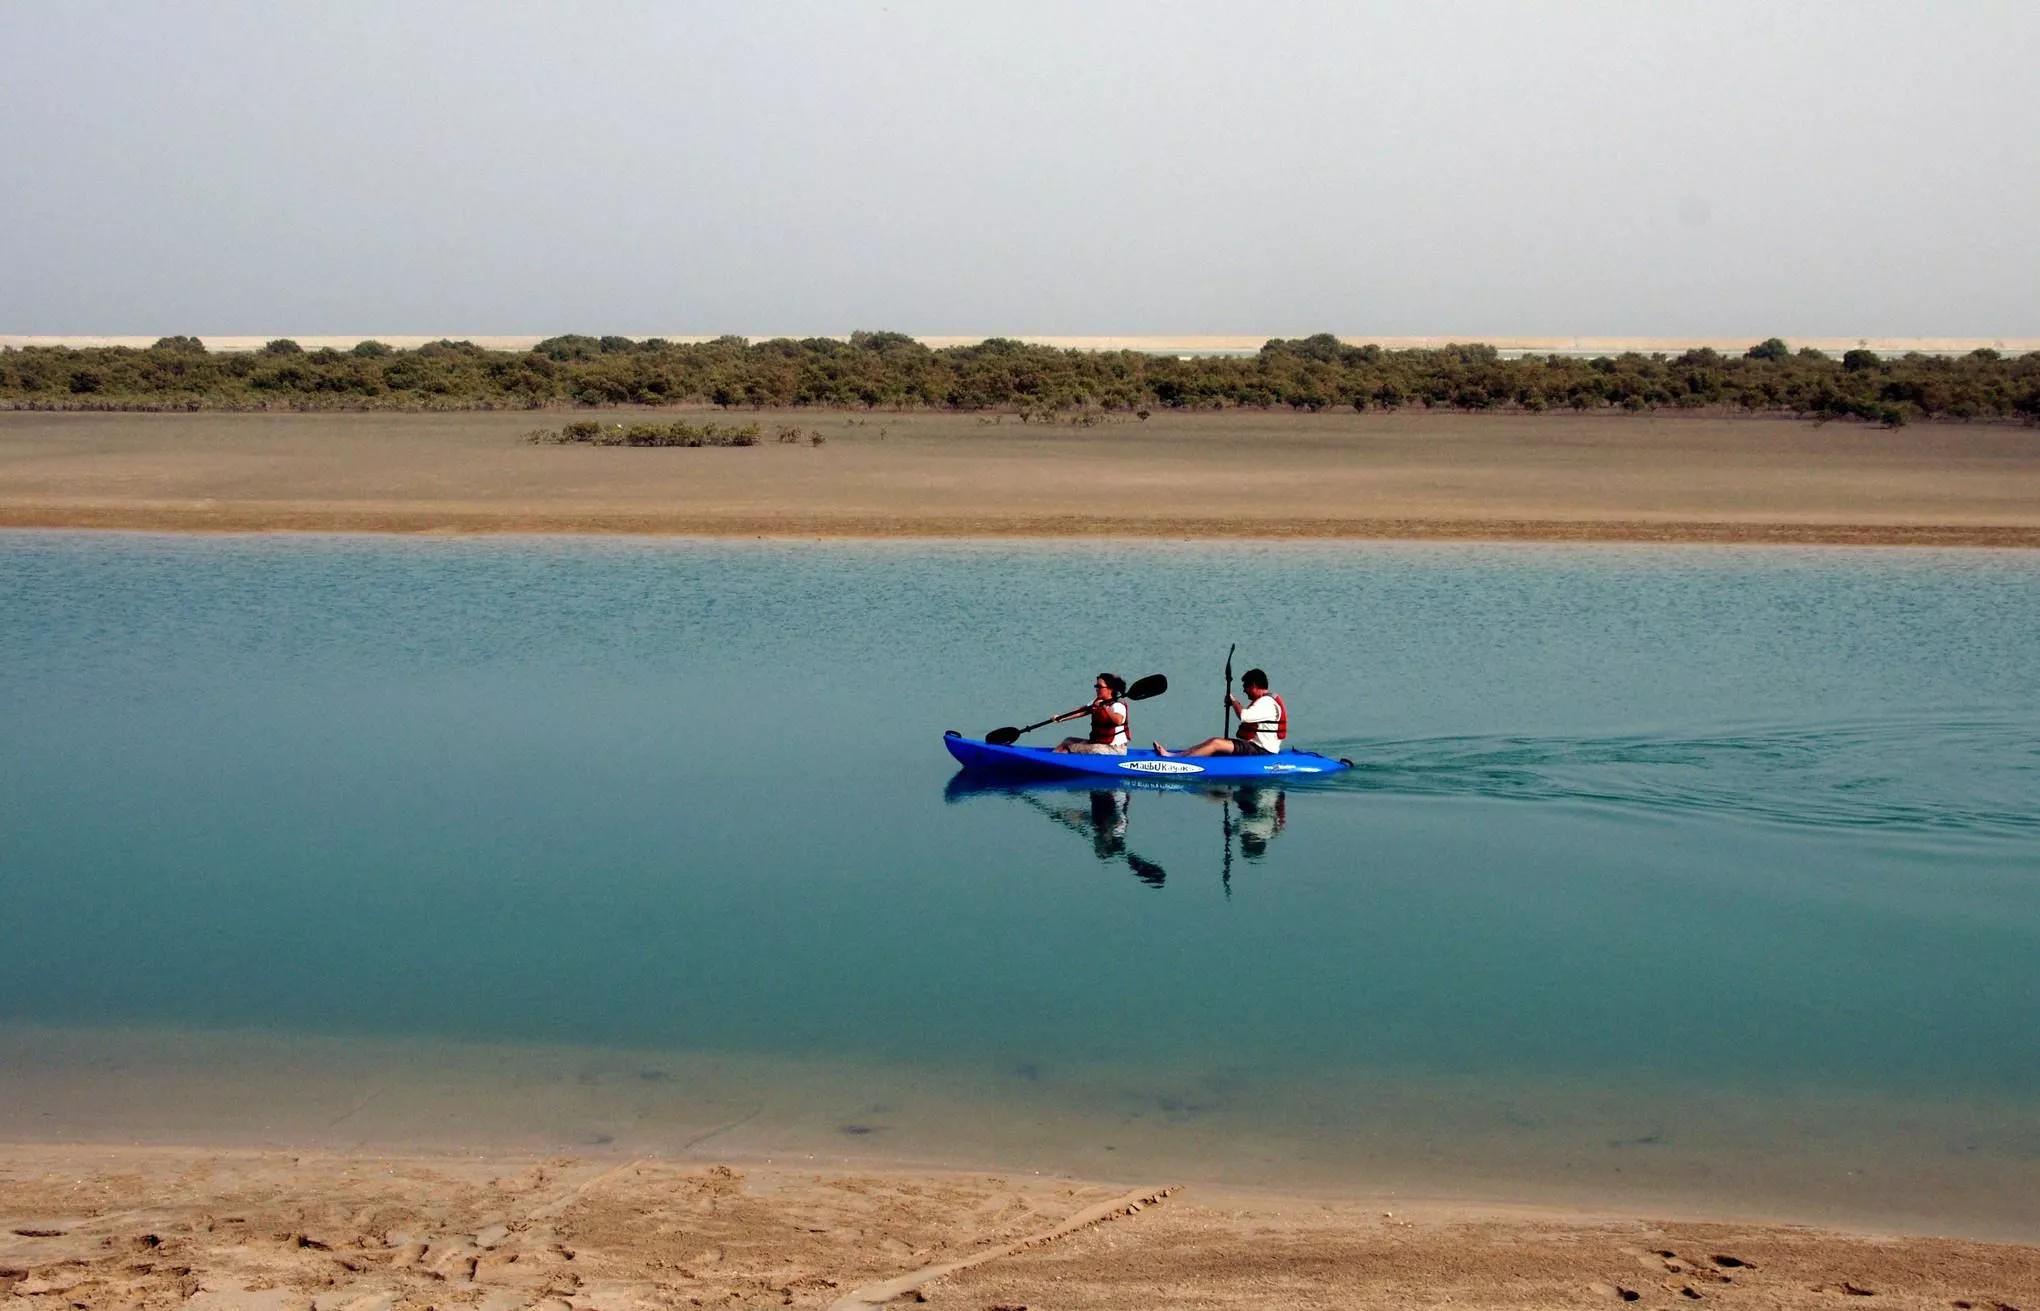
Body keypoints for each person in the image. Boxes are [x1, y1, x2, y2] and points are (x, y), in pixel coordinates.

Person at [1154, 667, 1285, 757]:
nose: (1244, 690)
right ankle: (1174, 755)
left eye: (1246, 686)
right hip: (1255, 747)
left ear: (1254, 686)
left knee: (1216, 743)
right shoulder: (1265, 701)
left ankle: (1179, 762)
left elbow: (1244, 716)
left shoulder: (1266, 702)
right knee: (1214, 741)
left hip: (1261, 751)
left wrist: (1233, 701)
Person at [1052, 673, 1131, 754]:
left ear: (1110, 689)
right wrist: (1061, 718)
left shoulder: (1117, 706)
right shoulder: (1096, 702)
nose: (1097, 689)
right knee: (1068, 741)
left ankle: (1055, 762)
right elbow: (1080, 712)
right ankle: (1053, 758)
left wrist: (1105, 707)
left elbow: (1118, 721)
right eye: (1096, 686)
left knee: (1071, 747)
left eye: (1099, 687)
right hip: (1099, 744)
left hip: (1115, 749)